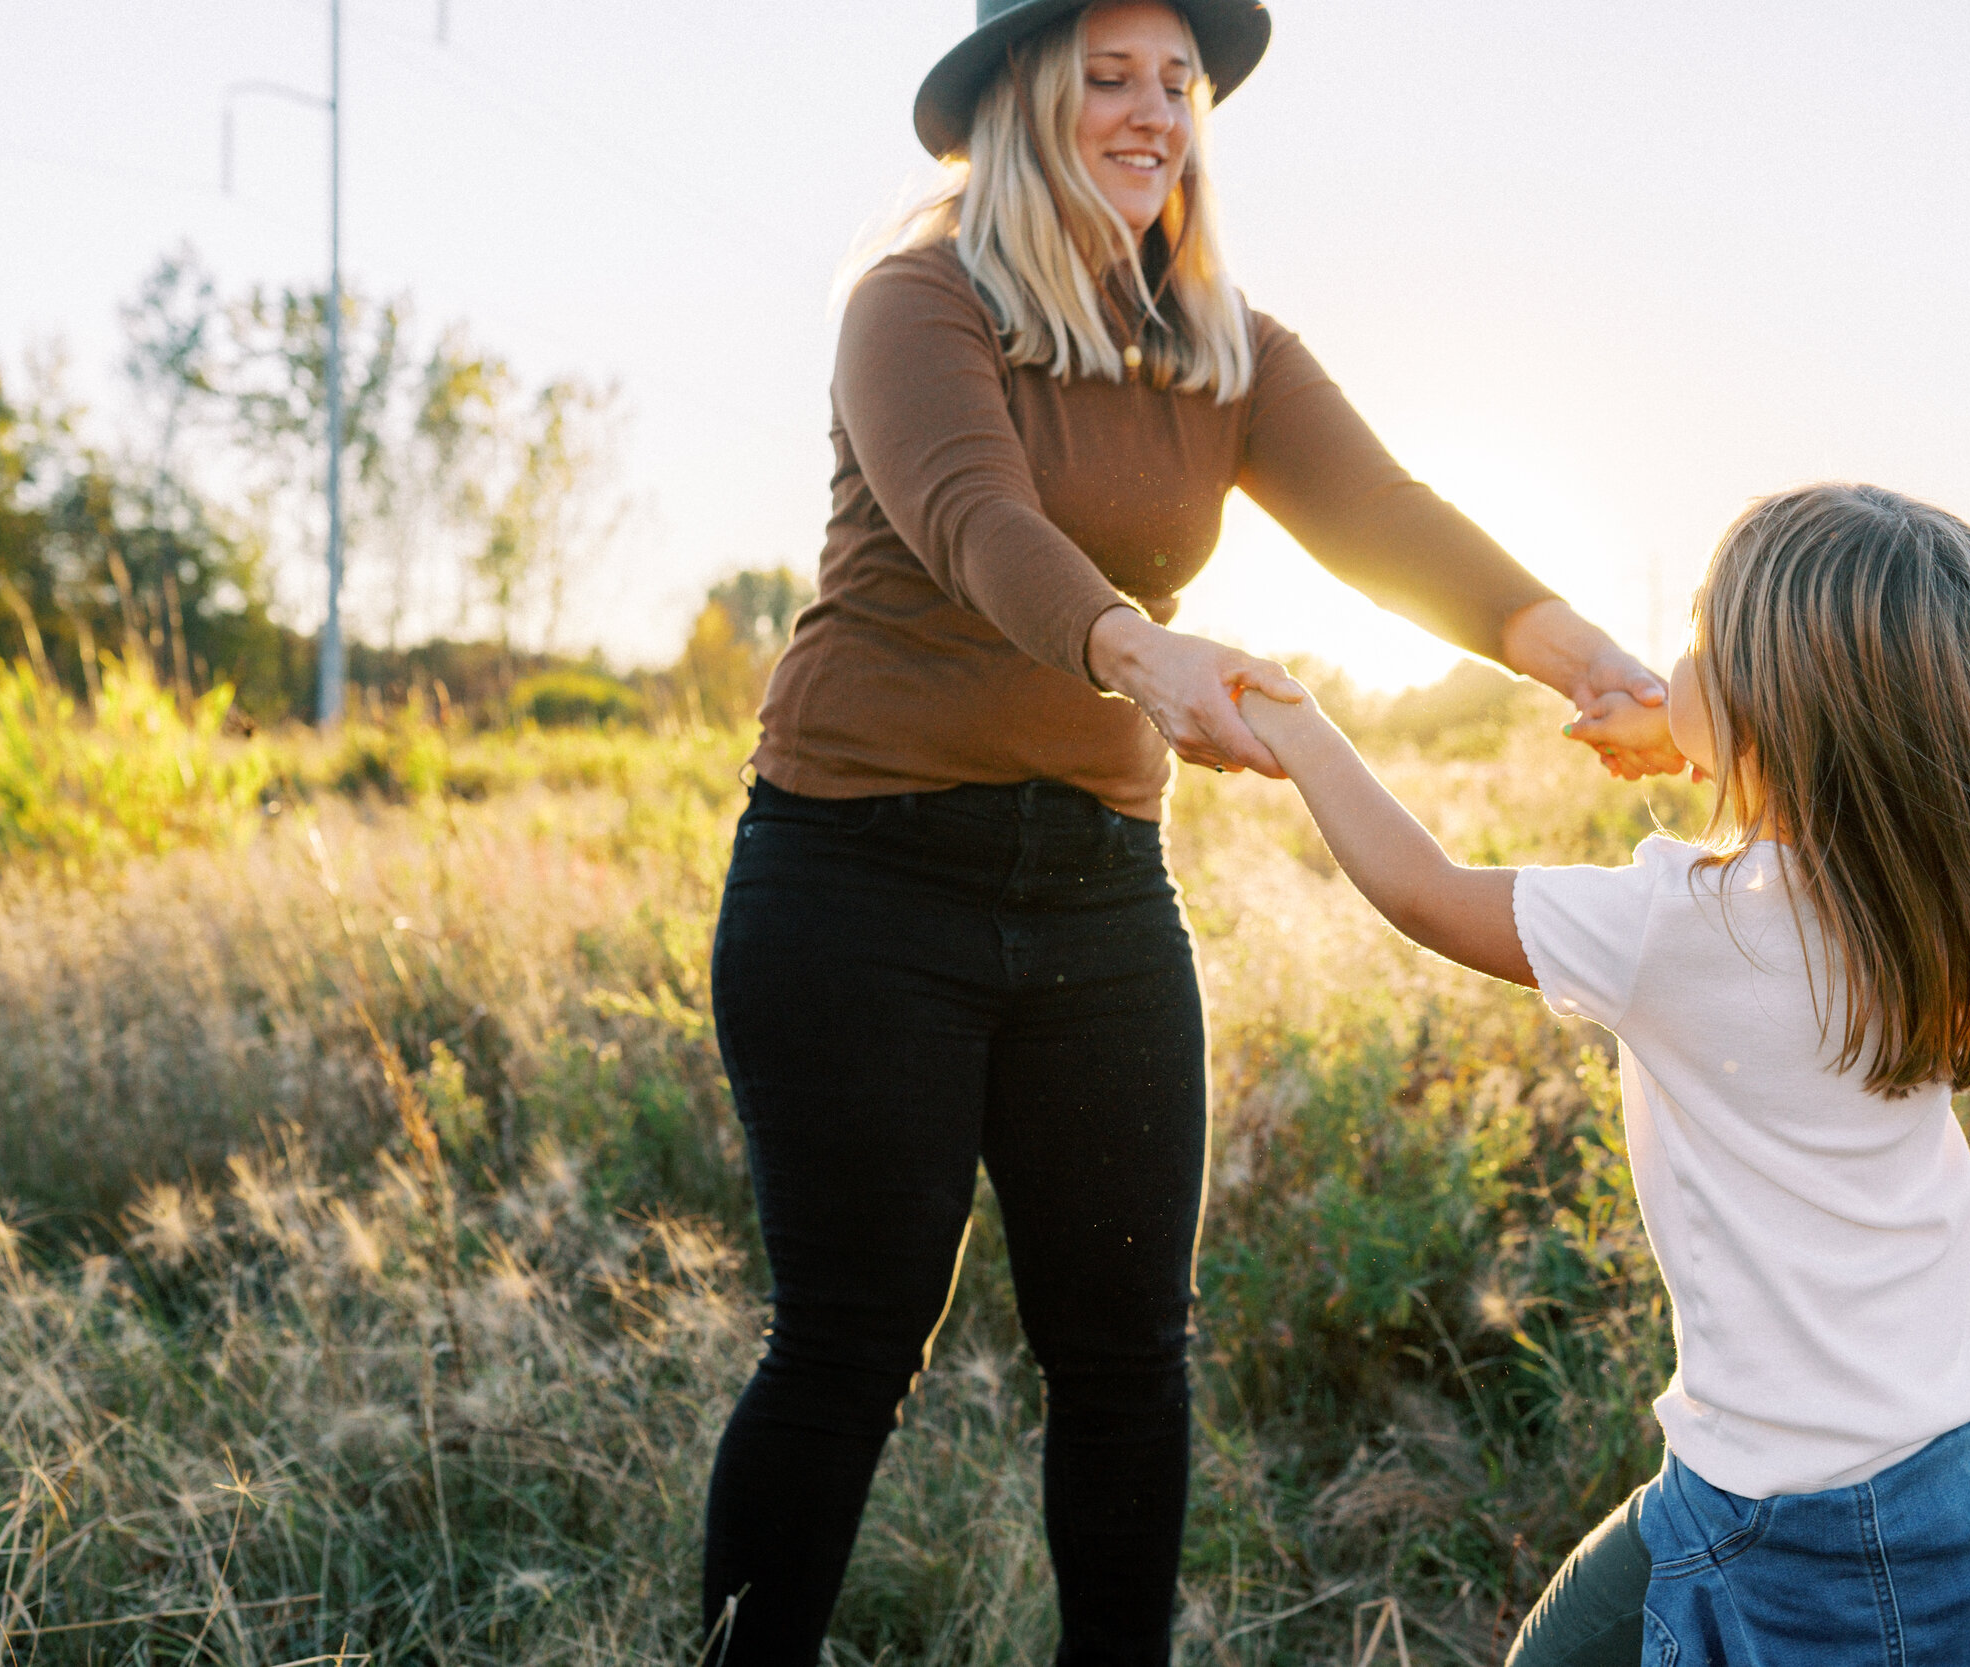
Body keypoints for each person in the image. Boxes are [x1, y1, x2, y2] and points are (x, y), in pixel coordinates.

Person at [700, 1, 1672, 1660]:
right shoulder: (916, 301)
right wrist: (1144, 657)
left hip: (1092, 892)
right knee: (854, 1340)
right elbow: (974, 522)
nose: (1155, 111)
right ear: (1018, 101)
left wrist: (1578, 651)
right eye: (1110, 77)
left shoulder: (1228, 349)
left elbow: (1383, 515)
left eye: (1181, 83)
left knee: (1129, 1349)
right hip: (859, 877)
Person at [1233, 482, 1970, 1667]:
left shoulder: (1685, 923)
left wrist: (1297, 725)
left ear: (1771, 709)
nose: (1678, 657)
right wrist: (1707, 726)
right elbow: (1839, 787)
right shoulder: (1949, 881)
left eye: (1703, 638)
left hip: (1805, 1515)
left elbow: (1426, 892)